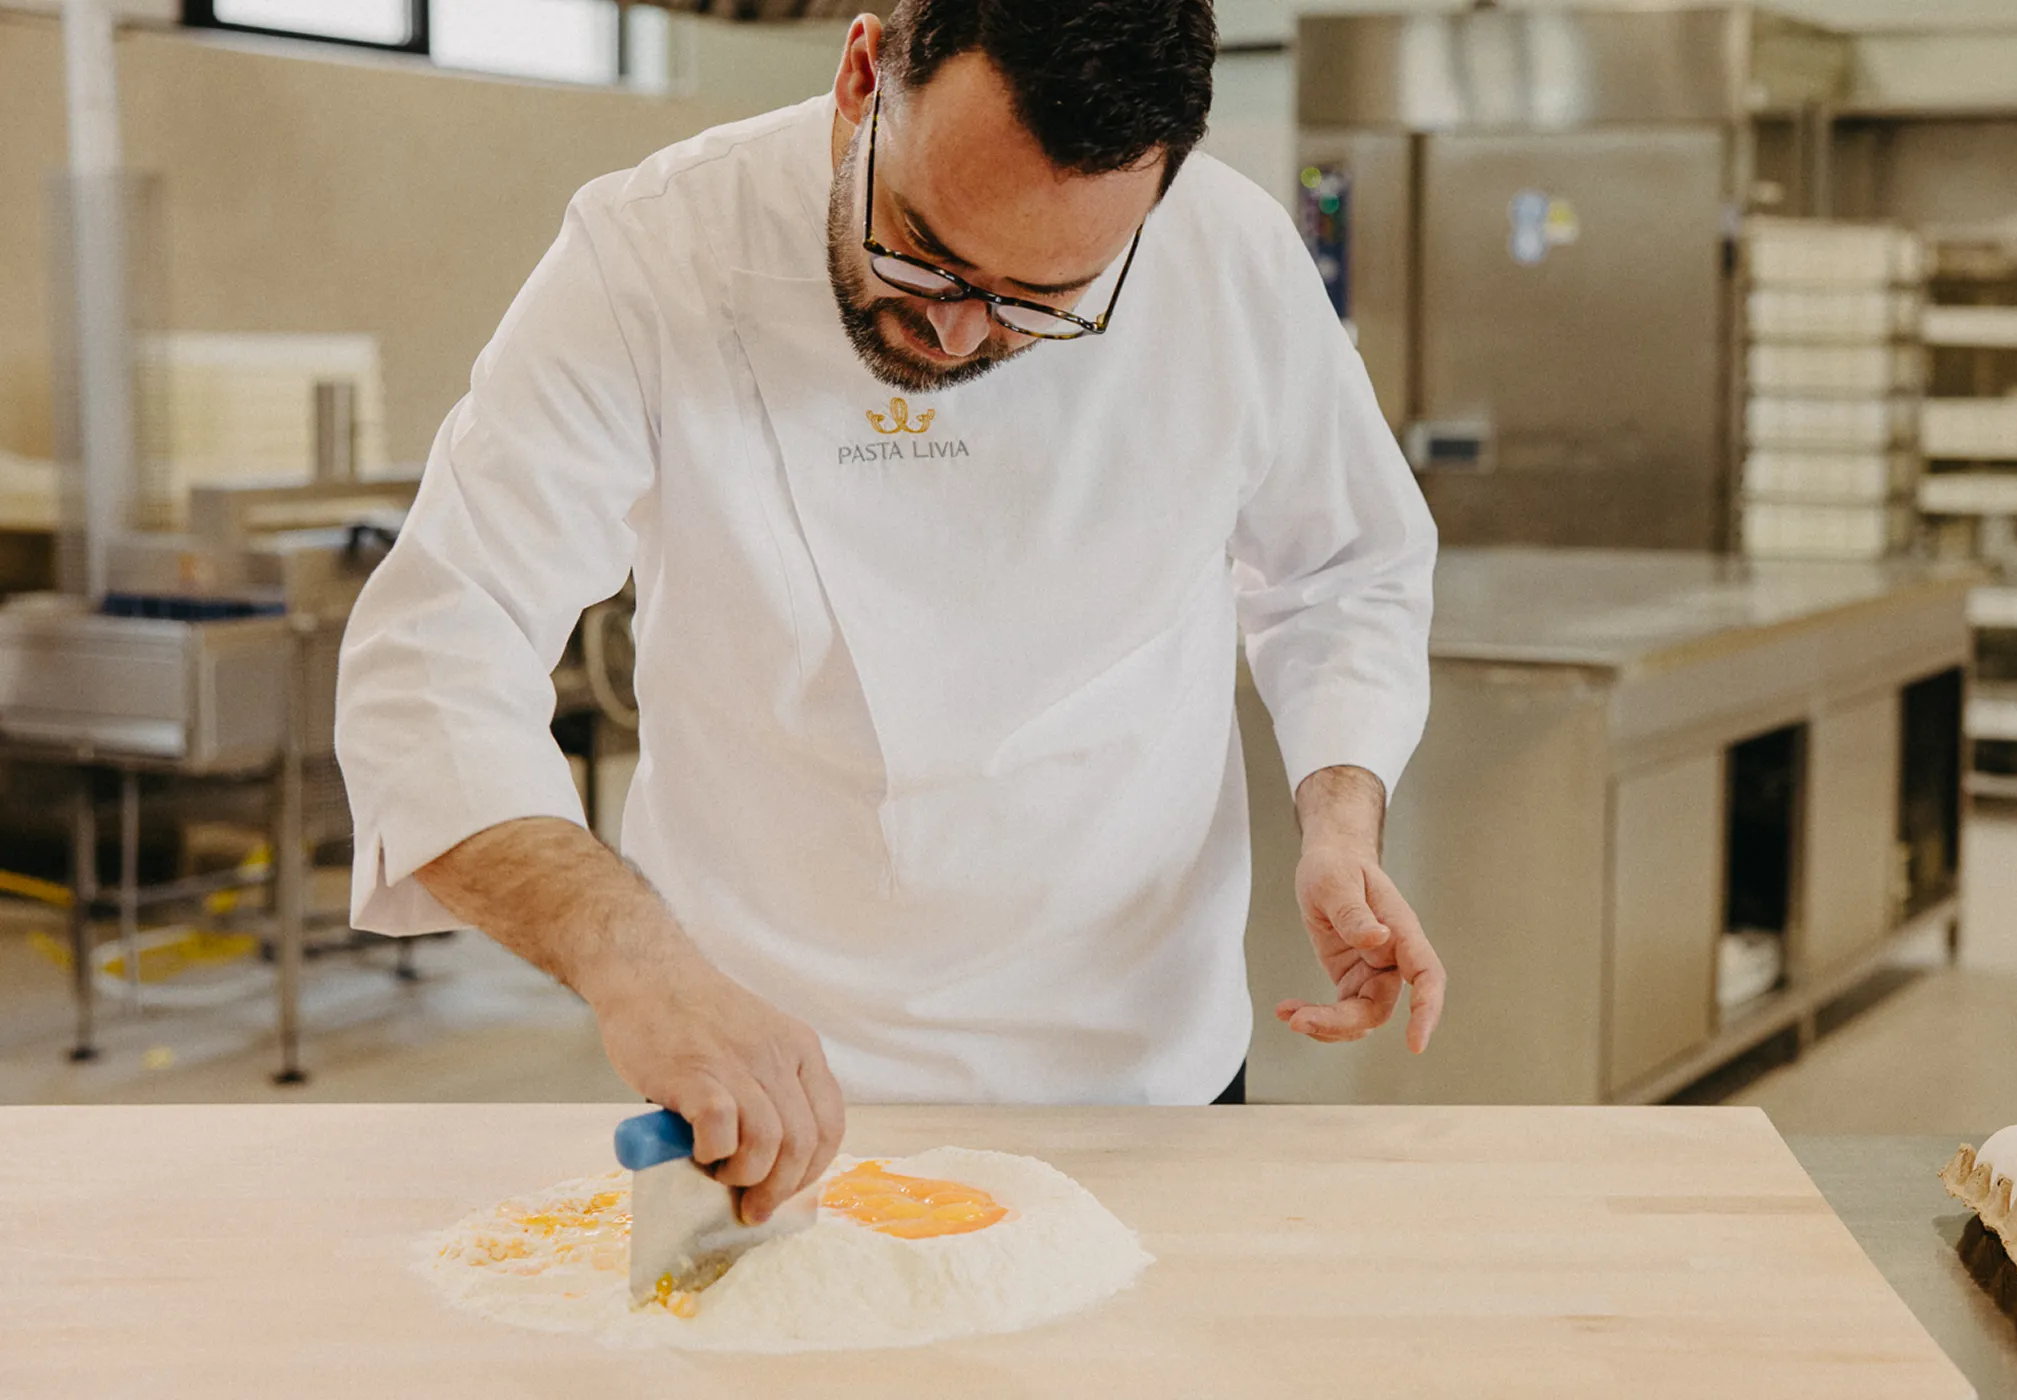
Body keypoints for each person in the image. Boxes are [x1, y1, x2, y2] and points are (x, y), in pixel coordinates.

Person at [334, 0, 1441, 1226]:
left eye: (1043, 299)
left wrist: (1339, 813)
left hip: (1142, 1069)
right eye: (921, 249)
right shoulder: (652, 251)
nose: (960, 329)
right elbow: (436, 650)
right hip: (765, 1083)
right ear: (864, 72)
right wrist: (635, 966)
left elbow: (1346, 565)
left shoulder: (1232, 259)